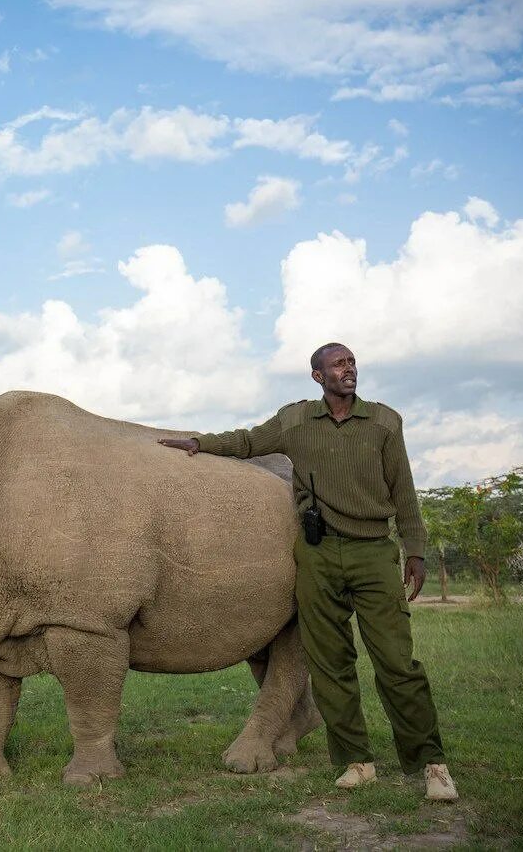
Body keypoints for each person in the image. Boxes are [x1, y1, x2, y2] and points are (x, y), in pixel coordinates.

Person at [158, 342, 458, 802]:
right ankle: (356, 761)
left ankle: (430, 764)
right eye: (338, 364)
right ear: (318, 376)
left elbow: (404, 490)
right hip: (318, 555)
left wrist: (414, 549)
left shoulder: (383, 421)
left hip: (374, 552)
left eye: (352, 362)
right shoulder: (296, 421)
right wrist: (199, 443)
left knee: (397, 663)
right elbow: (247, 442)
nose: (348, 370)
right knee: (330, 664)